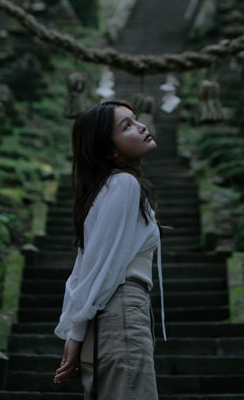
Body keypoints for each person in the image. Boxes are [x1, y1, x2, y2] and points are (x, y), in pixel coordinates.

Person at [53, 99, 165, 399]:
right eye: (126, 125)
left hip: (111, 316)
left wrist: (77, 330)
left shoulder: (109, 189)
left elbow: (85, 267)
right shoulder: (124, 185)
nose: (141, 126)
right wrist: (76, 334)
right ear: (111, 150)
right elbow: (99, 267)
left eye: (136, 119)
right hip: (122, 311)